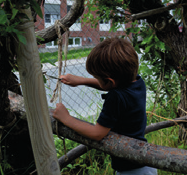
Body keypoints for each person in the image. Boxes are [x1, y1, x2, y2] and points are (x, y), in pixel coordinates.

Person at [52, 37, 157, 175]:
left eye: (97, 78)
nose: (96, 80)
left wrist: (66, 118)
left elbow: (97, 133)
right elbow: (114, 85)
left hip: (130, 169)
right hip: (143, 163)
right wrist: (81, 80)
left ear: (110, 81)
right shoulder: (137, 82)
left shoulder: (115, 97)